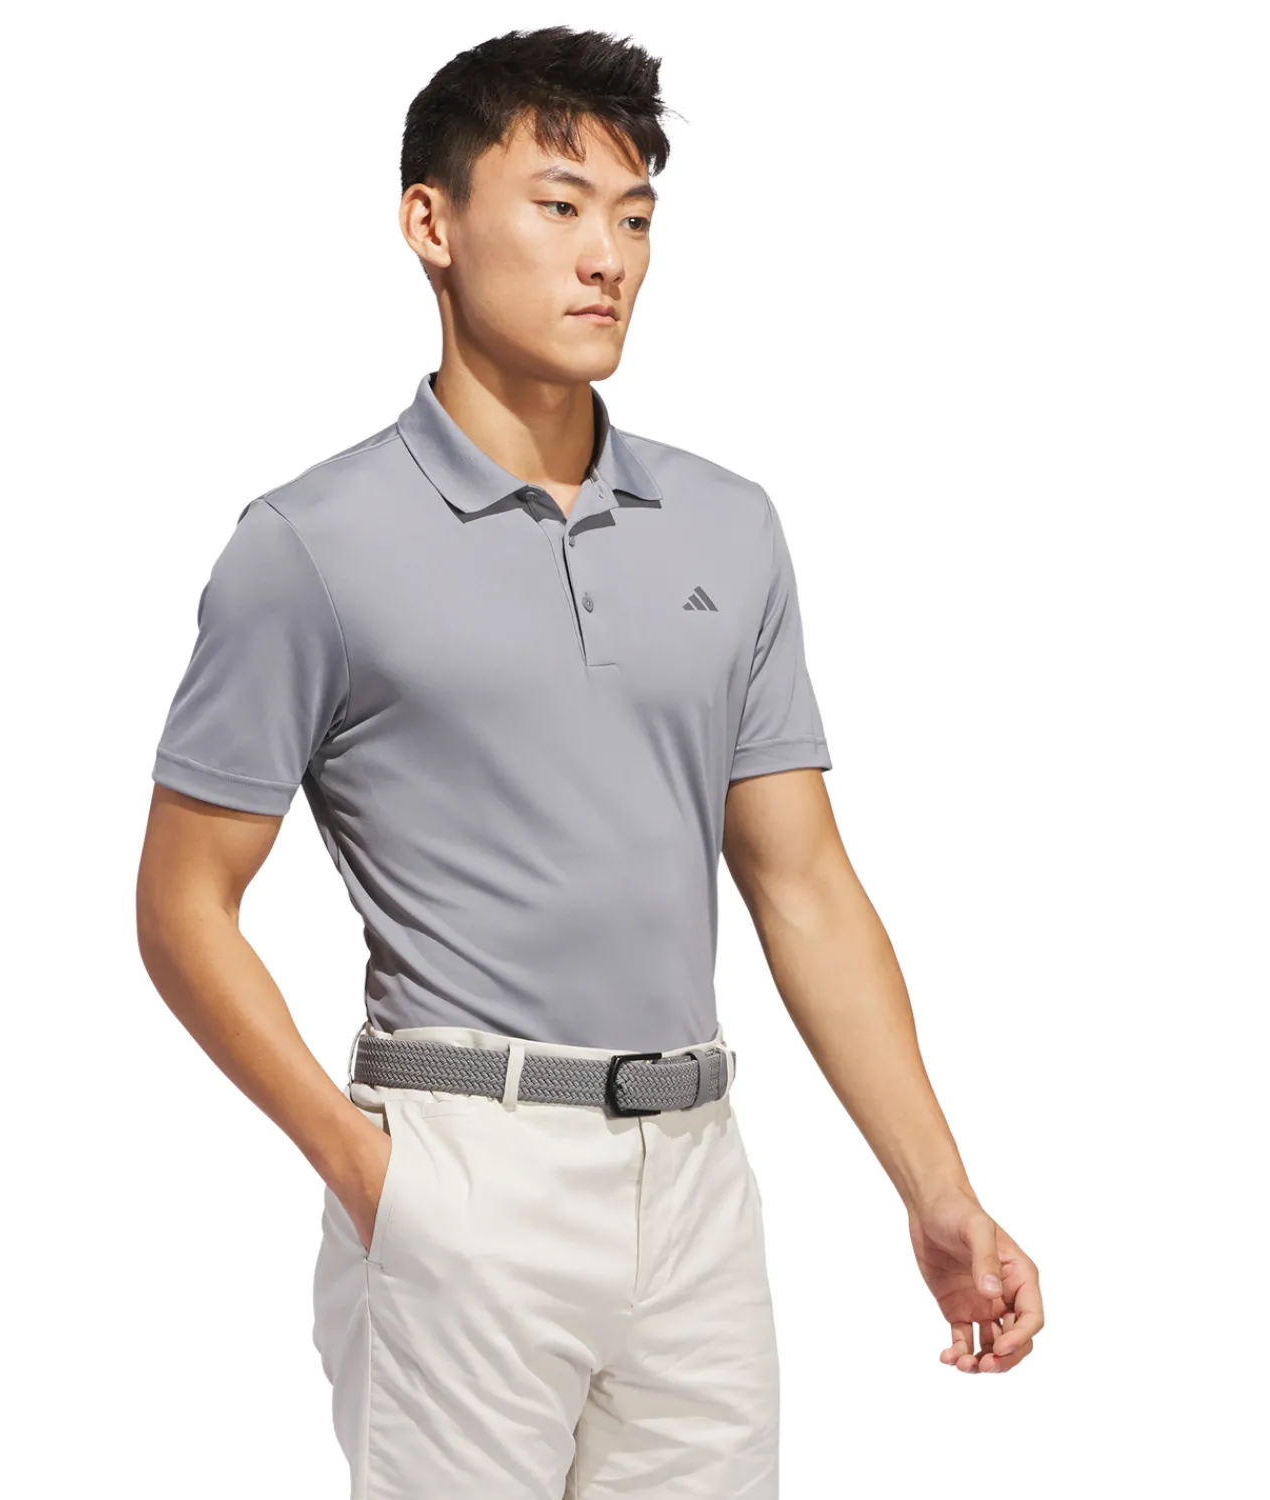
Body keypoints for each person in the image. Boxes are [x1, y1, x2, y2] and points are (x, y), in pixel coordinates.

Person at [136, 23, 1045, 1498]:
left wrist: (937, 1189)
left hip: (697, 1184)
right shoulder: (309, 547)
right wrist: (367, 1173)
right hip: (463, 1167)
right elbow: (183, 903)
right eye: (558, 207)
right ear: (431, 223)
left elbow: (803, 883)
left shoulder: (728, 528)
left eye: (633, 218)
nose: (606, 258)